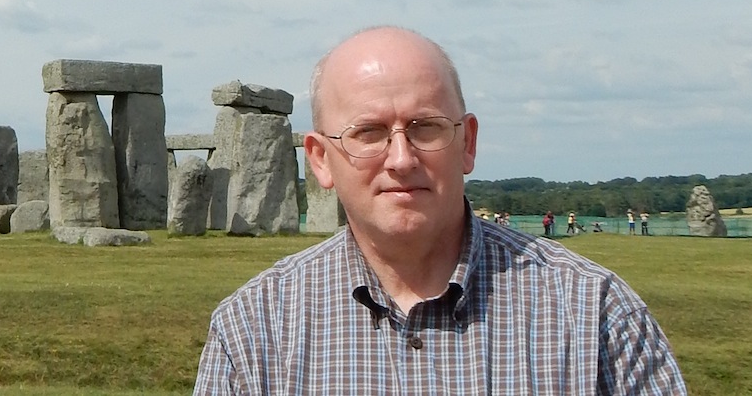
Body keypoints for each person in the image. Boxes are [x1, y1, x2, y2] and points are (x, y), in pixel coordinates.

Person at [193, 26, 685, 394]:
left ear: (466, 143)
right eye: (368, 133)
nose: (402, 159)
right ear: (320, 159)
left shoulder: (595, 312)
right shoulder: (253, 328)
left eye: (426, 127)